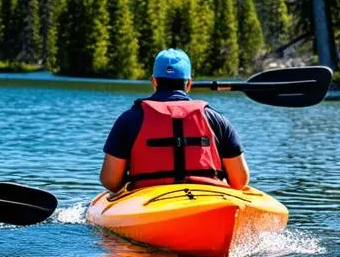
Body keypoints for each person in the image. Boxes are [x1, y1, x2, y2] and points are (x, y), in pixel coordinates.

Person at [99, 48, 249, 193]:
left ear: (154, 81)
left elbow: (110, 181)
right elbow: (239, 181)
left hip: (148, 201)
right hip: (207, 199)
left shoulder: (129, 119)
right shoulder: (216, 119)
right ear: (189, 84)